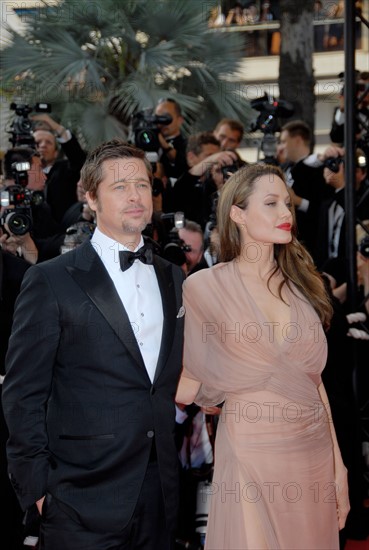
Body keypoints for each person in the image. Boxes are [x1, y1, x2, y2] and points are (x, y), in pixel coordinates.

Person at [2, 139, 185, 550]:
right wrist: (38, 490)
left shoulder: (173, 277)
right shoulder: (52, 279)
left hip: (159, 494)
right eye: (119, 187)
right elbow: (23, 393)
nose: (135, 195)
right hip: (78, 496)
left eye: (141, 184)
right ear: (91, 197)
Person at [176, 163, 350, 549]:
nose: (286, 214)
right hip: (250, 449)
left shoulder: (304, 286)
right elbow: (186, 380)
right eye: (271, 204)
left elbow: (315, 386)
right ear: (237, 213)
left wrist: (339, 467)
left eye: (286, 204)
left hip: (313, 452)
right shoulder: (205, 287)